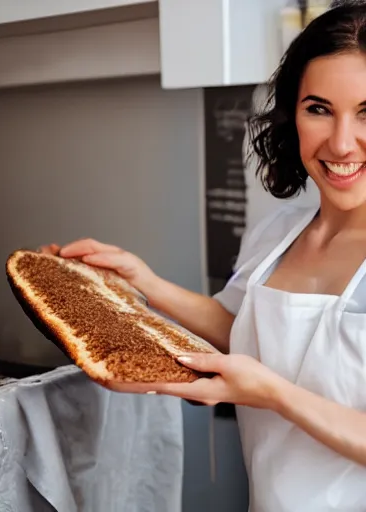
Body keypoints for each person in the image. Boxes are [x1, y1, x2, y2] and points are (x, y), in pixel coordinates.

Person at [40, 3, 366, 510]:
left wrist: (273, 394)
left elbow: (265, 379)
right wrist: (143, 281)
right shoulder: (276, 232)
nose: (342, 142)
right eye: (319, 109)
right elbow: (241, 327)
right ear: (292, 115)